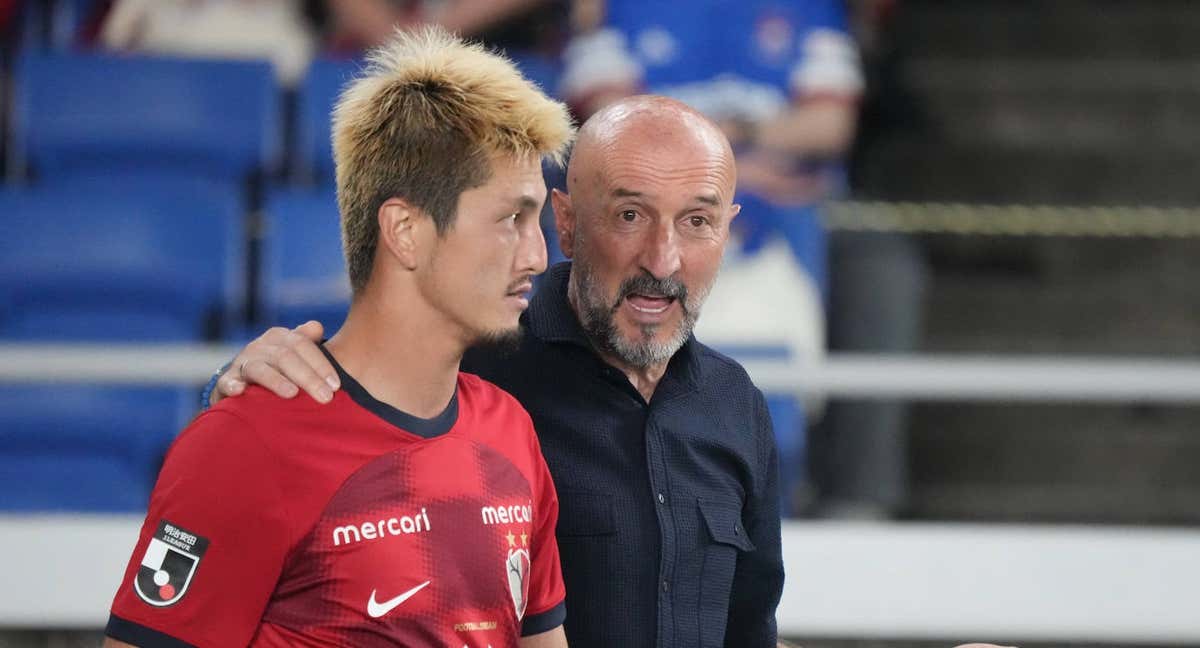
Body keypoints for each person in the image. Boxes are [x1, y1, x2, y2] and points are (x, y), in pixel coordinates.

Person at [211, 94, 787, 647]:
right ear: (565, 222)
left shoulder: (736, 403)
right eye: (630, 215)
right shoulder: (471, 366)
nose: (662, 260)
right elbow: (329, 419)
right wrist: (247, 384)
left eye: (697, 221)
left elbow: (749, 629)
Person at [104, 27, 573, 648]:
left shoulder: (510, 430)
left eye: (536, 218)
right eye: (511, 218)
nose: (539, 255)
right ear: (404, 231)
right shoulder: (245, 443)